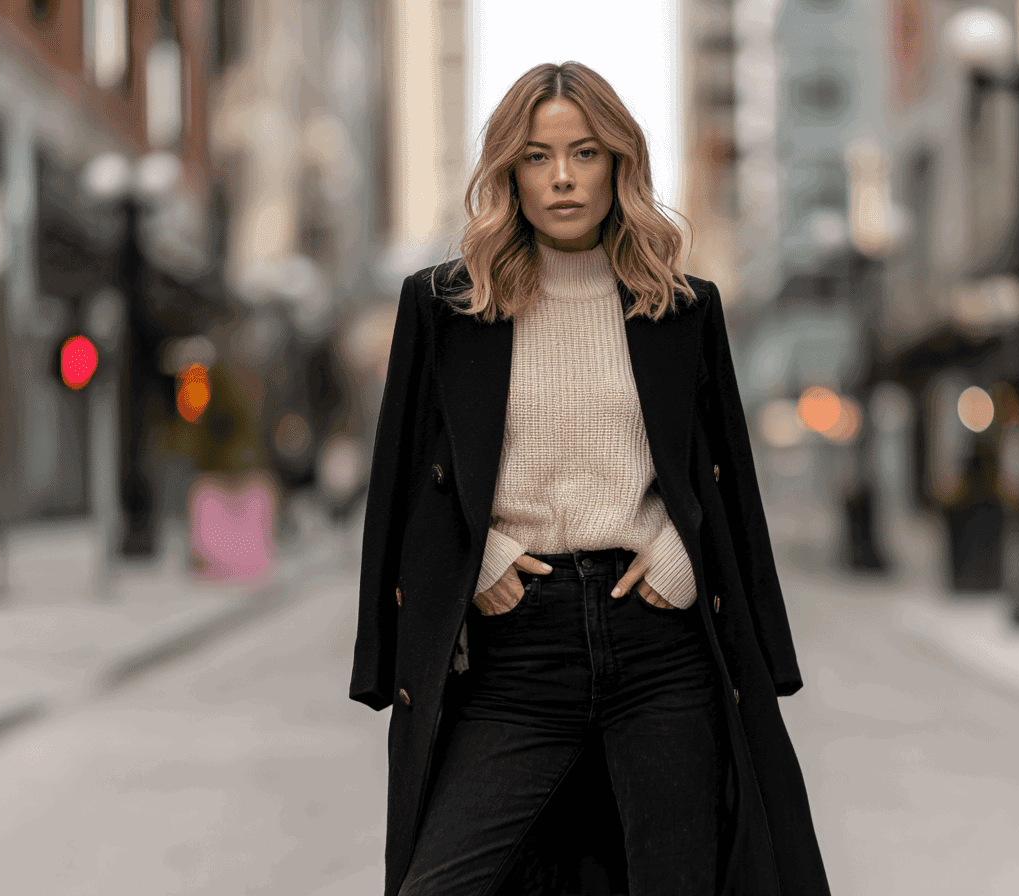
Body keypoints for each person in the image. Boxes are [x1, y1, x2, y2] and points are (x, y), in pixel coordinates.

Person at [351, 61, 832, 896]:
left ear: (620, 163)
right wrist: (483, 559)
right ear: (508, 172)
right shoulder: (444, 307)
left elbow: (722, 483)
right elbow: (405, 484)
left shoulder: (680, 307)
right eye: (537, 157)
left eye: (585, 153)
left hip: (658, 647)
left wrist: (683, 555)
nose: (564, 177)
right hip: (514, 656)